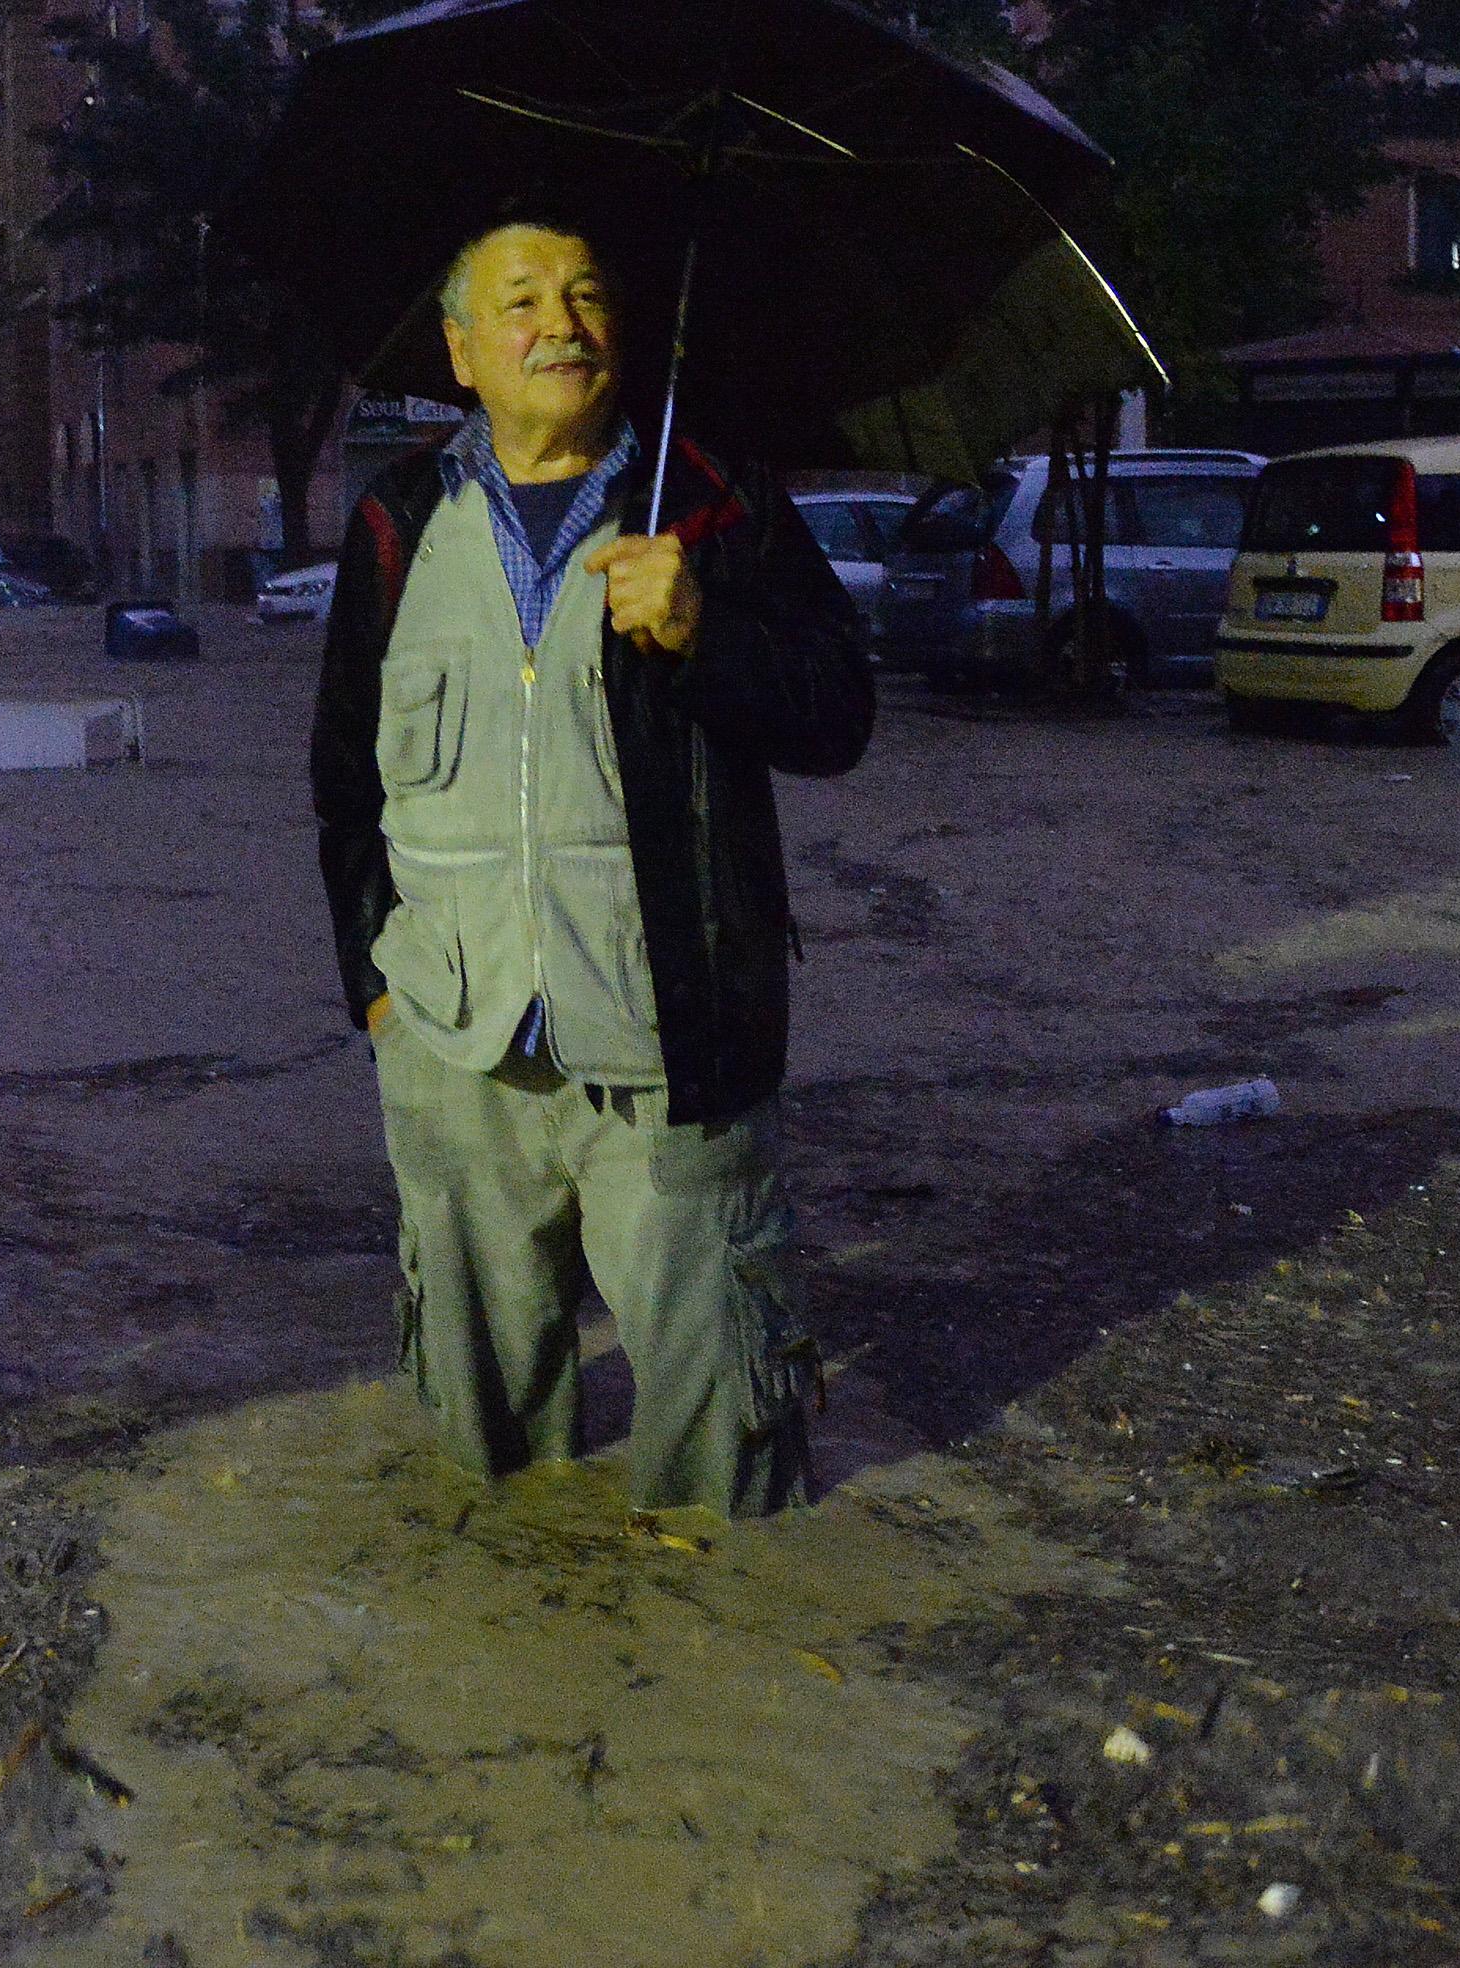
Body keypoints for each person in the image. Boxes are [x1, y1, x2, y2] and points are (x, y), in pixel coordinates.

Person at [309, 214, 874, 1520]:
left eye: (587, 295)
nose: (560, 324)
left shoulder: (710, 501)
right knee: (484, 1461)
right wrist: (376, 994)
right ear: (461, 350)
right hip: (452, 1045)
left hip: (672, 1040)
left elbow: (840, 712)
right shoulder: (396, 521)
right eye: (520, 300)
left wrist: (705, 627)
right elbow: (344, 780)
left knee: (727, 1464)